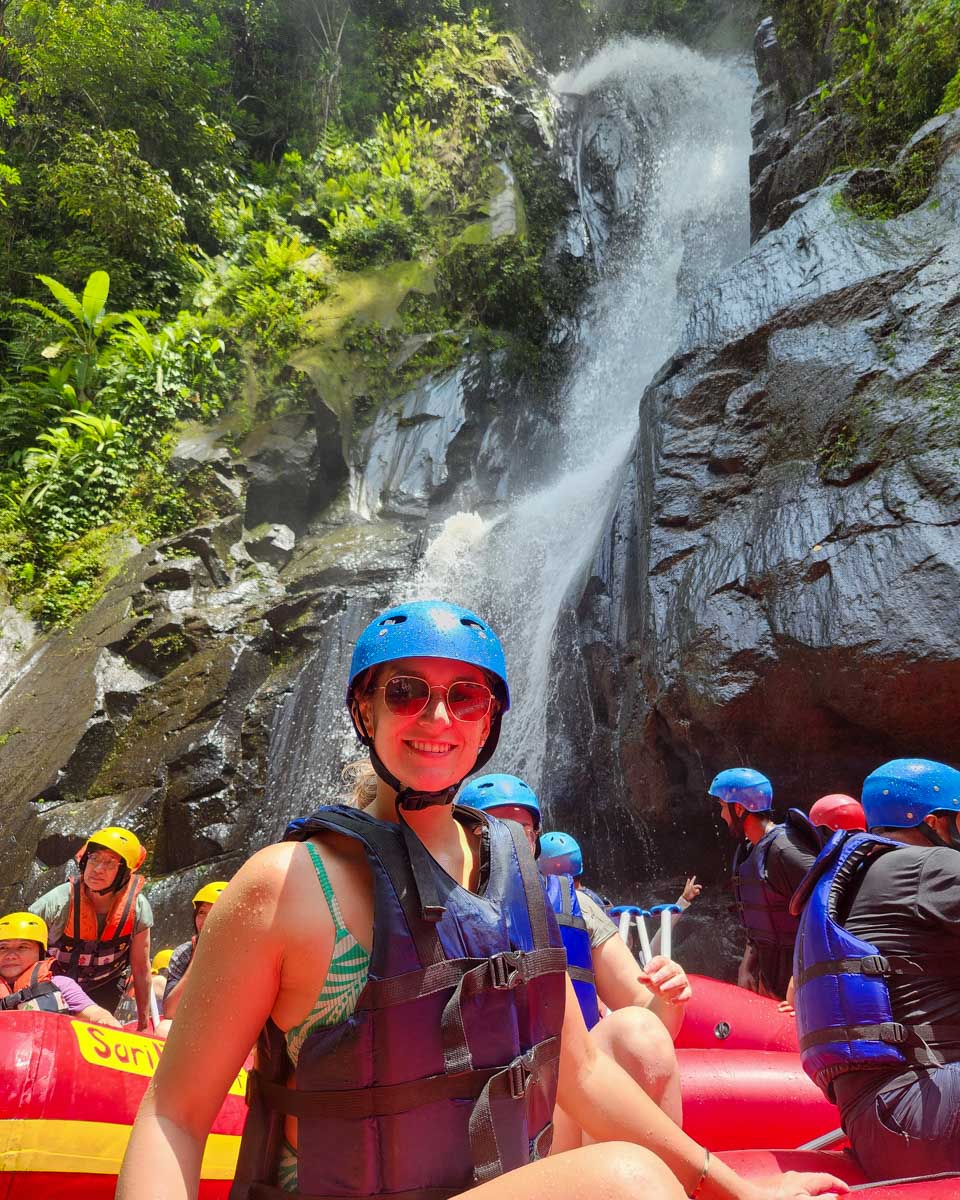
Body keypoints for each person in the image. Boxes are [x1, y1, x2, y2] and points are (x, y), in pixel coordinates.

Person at [118, 600, 844, 1200]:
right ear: (365, 711)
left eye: (464, 696)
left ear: (490, 721)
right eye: (405, 691)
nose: (437, 718)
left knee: (633, 1064)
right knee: (627, 1181)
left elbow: (584, 1074)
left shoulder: (515, 875)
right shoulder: (285, 885)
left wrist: (735, 1187)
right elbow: (174, 1114)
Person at [460, 774, 690, 1131]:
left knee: (638, 1029)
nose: (509, 840)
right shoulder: (439, 914)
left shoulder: (578, 907)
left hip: (567, 1102)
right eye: (491, 829)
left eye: (521, 828)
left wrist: (669, 996)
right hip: (477, 1115)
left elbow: (649, 1017)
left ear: (534, 840)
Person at [791, 757, 960, 1181]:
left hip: (877, 1127)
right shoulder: (930, 867)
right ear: (936, 822)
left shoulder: (856, 877)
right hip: (924, 1116)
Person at [709, 768, 819, 1000]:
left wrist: (798, 979)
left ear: (739, 809)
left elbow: (826, 914)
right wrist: (746, 966)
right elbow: (758, 922)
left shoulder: (785, 851)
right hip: (770, 976)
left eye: (722, 806)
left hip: (800, 983)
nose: (721, 815)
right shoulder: (749, 849)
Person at [29, 825, 153, 1028]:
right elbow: (16, 946)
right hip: (55, 985)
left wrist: (143, 1023)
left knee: (103, 1024)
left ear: (124, 873)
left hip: (104, 986)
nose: (97, 869)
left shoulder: (138, 909)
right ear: (85, 860)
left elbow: (140, 968)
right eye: (94, 858)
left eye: (110, 863)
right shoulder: (56, 902)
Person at [0, 911, 121, 1025]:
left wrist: (104, 1018)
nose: (11, 956)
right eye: (3, 948)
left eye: (23, 947)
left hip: (44, 1045)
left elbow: (93, 1012)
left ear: (40, 953)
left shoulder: (60, 984)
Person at [162, 882, 229, 1021]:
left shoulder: (246, 953)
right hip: (191, 1023)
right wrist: (196, 959)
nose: (205, 921)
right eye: (202, 913)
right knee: (164, 1028)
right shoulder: (183, 953)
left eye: (215, 913)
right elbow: (170, 1012)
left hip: (229, 1024)